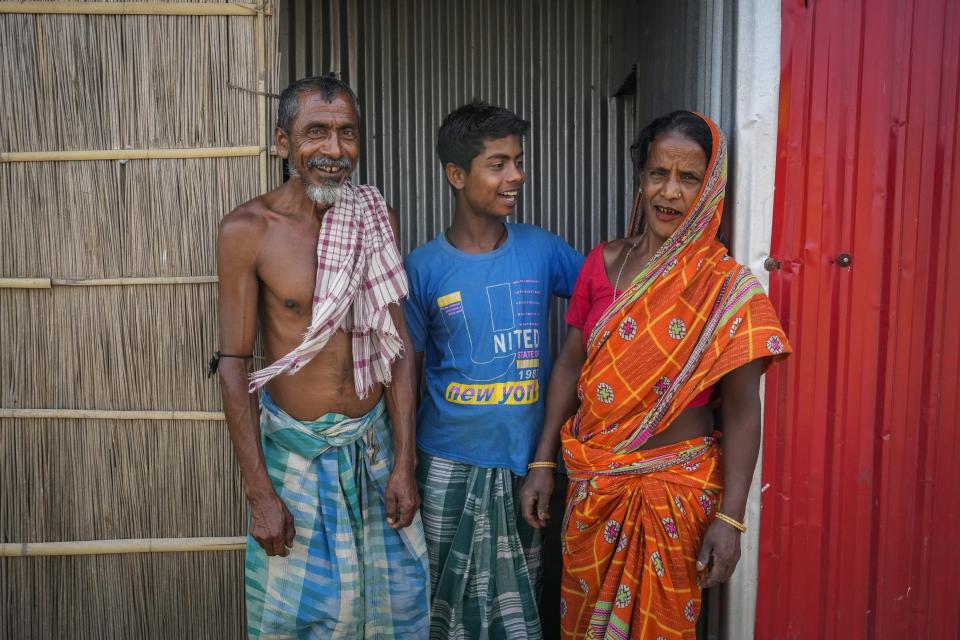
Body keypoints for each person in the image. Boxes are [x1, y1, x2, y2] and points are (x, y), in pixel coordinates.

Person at [519, 111, 791, 639]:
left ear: (710, 187)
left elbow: (741, 409)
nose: (669, 192)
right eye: (657, 174)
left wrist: (732, 518)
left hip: (676, 496)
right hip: (595, 489)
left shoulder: (726, 291)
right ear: (639, 180)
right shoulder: (602, 263)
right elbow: (570, 364)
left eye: (688, 178)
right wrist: (542, 461)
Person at [215, 75, 429, 639]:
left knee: (391, 613)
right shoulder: (248, 230)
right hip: (295, 462)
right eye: (317, 133)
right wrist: (261, 494)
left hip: (375, 449)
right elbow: (234, 366)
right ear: (283, 142)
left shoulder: (373, 217)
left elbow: (398, 347)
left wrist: (404, 465)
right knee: (300, 619)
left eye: (347, 134)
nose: (335, 151)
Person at [403, 101, 585, 639]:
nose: (516, 176)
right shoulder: (423, 268)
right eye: (498, 163)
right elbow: (407, 377)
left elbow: (609, 304)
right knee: (439, 598)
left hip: (526, 468)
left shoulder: (543, 250)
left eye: (518, 161)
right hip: (444, 466)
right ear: (456, 175)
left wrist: (546, 463)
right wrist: (403, 465)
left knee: (519, 599)